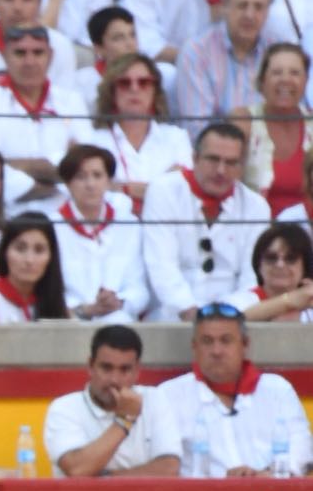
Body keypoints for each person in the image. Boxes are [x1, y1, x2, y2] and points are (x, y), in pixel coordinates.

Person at [155, 304, 313, 478]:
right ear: (195, 347)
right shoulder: (168, 395)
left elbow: (302, 450)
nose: (216, 351)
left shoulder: (277, 389)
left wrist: (265, 475)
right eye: (207, 341)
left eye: (226, 340)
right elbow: (163, 465)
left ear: (244, 345)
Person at [143, 122, 269, 320]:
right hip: (172, 315)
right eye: (213, 159)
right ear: (194, 158)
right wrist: (189, 309)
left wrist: (223, 314)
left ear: (241, 166)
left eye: (231, 162)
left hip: (234, 317)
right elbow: (161, 265)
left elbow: (252, 277)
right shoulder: (163, 190)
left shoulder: (256, 206)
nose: (221, 170)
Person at [0, 25, 91, 209]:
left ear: (50, 56)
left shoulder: (72, 102)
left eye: (38, 53)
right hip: (6, 215)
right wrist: (54, 176)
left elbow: (86, 166)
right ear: (5, 56)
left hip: (66, 215)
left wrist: (12, 163)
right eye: (20, 53)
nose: (29, 62)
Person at [43, 324, 182, 479]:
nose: (114, 380)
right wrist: (124, 421)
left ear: (137, 371)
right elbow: (77, 469)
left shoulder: (155, 399)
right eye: (106, 368)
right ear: (91, 366)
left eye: (124, 370)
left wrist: (106, 479)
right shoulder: (64, 408)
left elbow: (169, 469)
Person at [51, 144, 148, 324]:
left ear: (109, 181)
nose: (90, 184)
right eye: (81, 177)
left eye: (97, 175)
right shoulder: (52, 227)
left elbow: (139, 288)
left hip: (119, 319)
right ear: (68, 183)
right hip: (70, 321)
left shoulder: (128, 225)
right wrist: (86, 309)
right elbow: (50, 292)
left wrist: (119, 302)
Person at [91, 52, 193, 214]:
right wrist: (160, 187)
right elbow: (93, 192)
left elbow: (183, 191)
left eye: (144, 82)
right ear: (112, 92)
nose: (134, 88)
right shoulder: (94, 141)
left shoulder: (176, 137)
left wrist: (121, 187)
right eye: (125, 83)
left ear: (155, 91)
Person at [174, 0, 273, 142]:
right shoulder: (196, 52)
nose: (250, 15)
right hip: (218, 157)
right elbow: (198, 129)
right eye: (242, 5)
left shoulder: (276, 50)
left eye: (258, 7)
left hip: (269, 151)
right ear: (224, 5)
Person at [238, 44, 313, 219]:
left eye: (294, 73)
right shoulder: (243, 120)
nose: (285, 79)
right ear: (262, 81)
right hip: (256, 232)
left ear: (305, 81)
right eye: (277, 72)